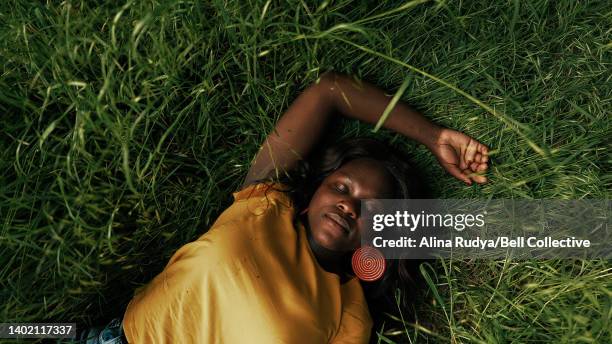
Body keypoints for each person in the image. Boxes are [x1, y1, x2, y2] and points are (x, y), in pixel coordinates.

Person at [89, 71, 489, 344]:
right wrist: (433, 135)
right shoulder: (263, 204)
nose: (349, 205)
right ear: (317, 189)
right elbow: (330, 91)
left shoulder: (347, 317)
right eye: (341, 187)